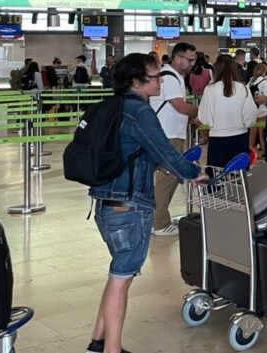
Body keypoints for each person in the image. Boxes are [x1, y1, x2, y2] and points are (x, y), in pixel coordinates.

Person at [85, 53, 207, 353]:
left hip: (106, 203)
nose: (160, 81)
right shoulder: (139, 112)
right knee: (120, 278)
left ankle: (98, 342)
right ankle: (112, 349)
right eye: (155, 77)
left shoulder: (114, 106)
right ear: (138, 81)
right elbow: (164, 151)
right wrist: (194, 173)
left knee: (118, 276)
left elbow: (143, 153)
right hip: (129, 205)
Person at [149, 42, 201, 237]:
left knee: (170, 178)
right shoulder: (169, 77)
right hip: (168, 134)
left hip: (172, 132)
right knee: (167, 178)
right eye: (189, 59)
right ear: (177, 58)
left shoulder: (174, 75)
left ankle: (160, 218)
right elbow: (179, 106)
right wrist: (201, 112)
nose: (192, 63)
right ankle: (159, 223)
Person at [198, 55, 256, 169]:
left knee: (216, 178)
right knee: (240, 178)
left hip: (217, 139)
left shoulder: (210, 89)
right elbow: (250, 116)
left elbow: (204, 117)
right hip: (240, 138)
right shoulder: (242, 88)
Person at [248, 63, 267, 152]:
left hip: (252, 110)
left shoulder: (250, 81)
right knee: (262, 133)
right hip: (263, 110)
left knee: (252, 132)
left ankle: (250, 151)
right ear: (264, 71)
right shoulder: (265, 82)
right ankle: (265, 152)